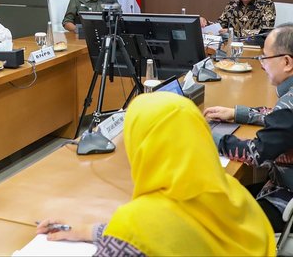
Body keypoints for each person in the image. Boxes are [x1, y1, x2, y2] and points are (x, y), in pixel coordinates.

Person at [37, 92, 275, 255]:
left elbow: (140, 235)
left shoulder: (137, 224)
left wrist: (117, 233)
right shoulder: (234, 195)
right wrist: (87, 231)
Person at [204, 23, 293, 232]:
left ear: (287, 62)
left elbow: (255, 153)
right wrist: (237, 113)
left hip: (286, 196)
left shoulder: (288, 107)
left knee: (214, 220)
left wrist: (207, 134)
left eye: (265, 58)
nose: (262, 65)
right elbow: (278, 119)